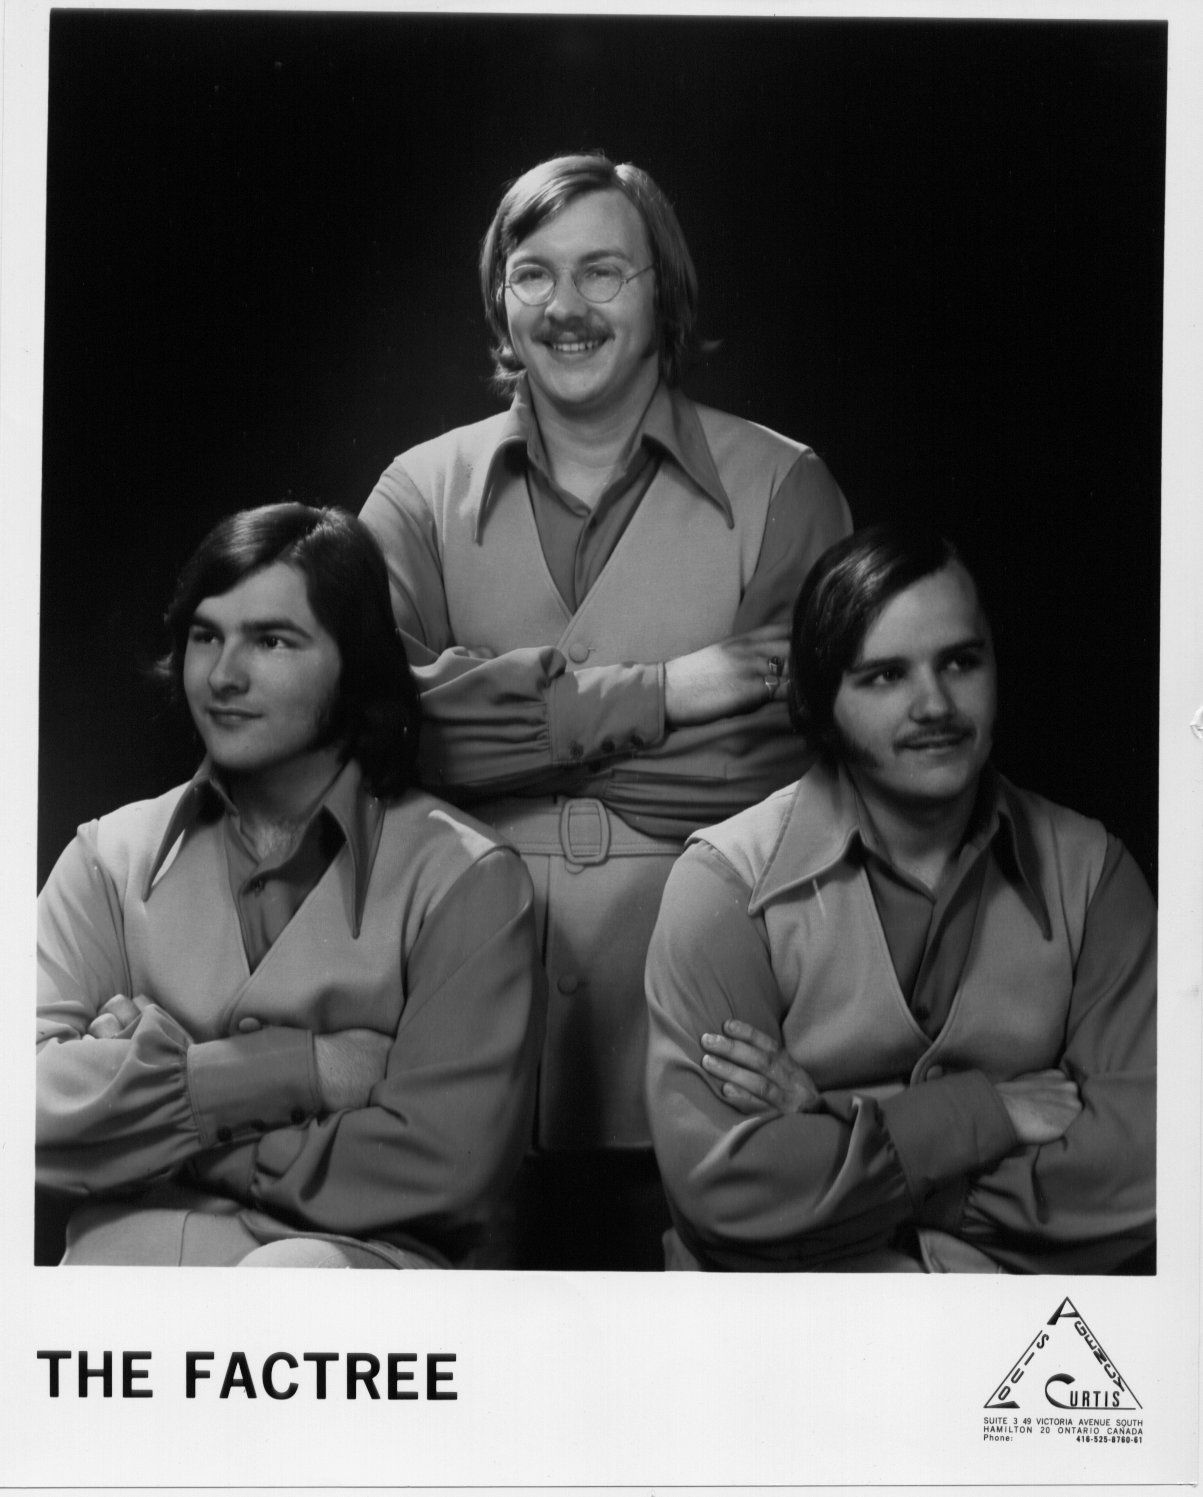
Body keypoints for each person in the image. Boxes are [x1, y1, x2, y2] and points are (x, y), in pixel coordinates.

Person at [359, 153, 851, 1267]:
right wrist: (669, 693)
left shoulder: (787, 487)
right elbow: (381, 735)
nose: (565, 307)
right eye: (533, 274)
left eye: (602, 272)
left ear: (661, 289)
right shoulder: (414, 496)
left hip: (715, 1043)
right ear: (499, 299)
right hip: (448, 1053)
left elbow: (776, 767)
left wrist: (491, 739)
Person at [37, 503, 544, 1268]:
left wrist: (147, 1124)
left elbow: (446, 1166)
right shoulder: (106, 857)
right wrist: (302, 1070)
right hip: (119, 1281)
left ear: (354, 662)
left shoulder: (468, 878)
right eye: (206, 636)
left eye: (271, 640)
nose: (223, 675)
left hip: (344, 1287)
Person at [645, 525, 1156, 1273]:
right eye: (885, 675)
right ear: (822, 699)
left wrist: (835, 1128)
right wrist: (984, 1113)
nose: (935, 703)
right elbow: (724, 1196)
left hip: (1014, 1329)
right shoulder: (723, 886)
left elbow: (1146, 1174)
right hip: (779, 1328)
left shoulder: (1095, 873)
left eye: (960, 661)